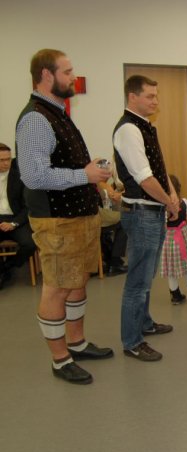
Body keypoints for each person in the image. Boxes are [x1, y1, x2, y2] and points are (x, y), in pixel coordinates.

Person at [16, 49, 113, 384]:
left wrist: (89, 170)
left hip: (78, 216)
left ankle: (77, 343)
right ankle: (60, 360)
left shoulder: (57, 112)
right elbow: (33, 176)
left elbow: (61, 164)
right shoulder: (35, 118)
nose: (74, 77)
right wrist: (84, 175)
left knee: (76, 281)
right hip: (57, 220)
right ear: (47, 75)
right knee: (57, 287)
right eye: (68, 72)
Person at [113, 74, 178, 362]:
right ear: (132, 97)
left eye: (156, 95)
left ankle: (145, 323)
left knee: (147, 274)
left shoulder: (145, 126)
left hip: (153, 211)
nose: (155, 101)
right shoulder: (128, 129)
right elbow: (144, 178)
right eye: (150, 96)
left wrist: (172, 195)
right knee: (138, 281)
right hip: (141, 213)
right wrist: (169, 201)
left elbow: (159, 169)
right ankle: (132, 341)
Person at [160, 174, 187, 305]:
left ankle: (175, 296)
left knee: (171, 270)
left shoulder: (163, 208)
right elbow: (186, 219)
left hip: (169, 239)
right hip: (184, 236)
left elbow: (163, 225)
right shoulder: (185, 203)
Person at [0, 143, 36, 289]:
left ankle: (7, 268)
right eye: (1, 160)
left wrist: (13, 223)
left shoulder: (20, 178)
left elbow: (28, 207)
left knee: (30, 244)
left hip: (15, 220)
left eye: (8, 159)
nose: (6, 163)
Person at [97, 162, 128, 276]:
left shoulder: (97, 183)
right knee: (125, 220)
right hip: (99, 219)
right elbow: (115, 198)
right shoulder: (102, 184)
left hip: (97, 217)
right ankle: (115, 262)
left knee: (120, 216)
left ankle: (112, 259)